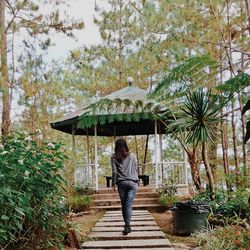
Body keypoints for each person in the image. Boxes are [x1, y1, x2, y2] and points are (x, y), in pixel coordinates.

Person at [111, 138, 138, 235]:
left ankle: (127, 225)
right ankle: (127, 225)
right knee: (128, 204)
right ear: (125, 146)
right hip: (132, 183)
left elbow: (114, 172)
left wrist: (113, 184)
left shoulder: (114, 157)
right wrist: (136, 180)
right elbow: (135, 168)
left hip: (121, 183)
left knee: (124, 205)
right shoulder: (132, 155)